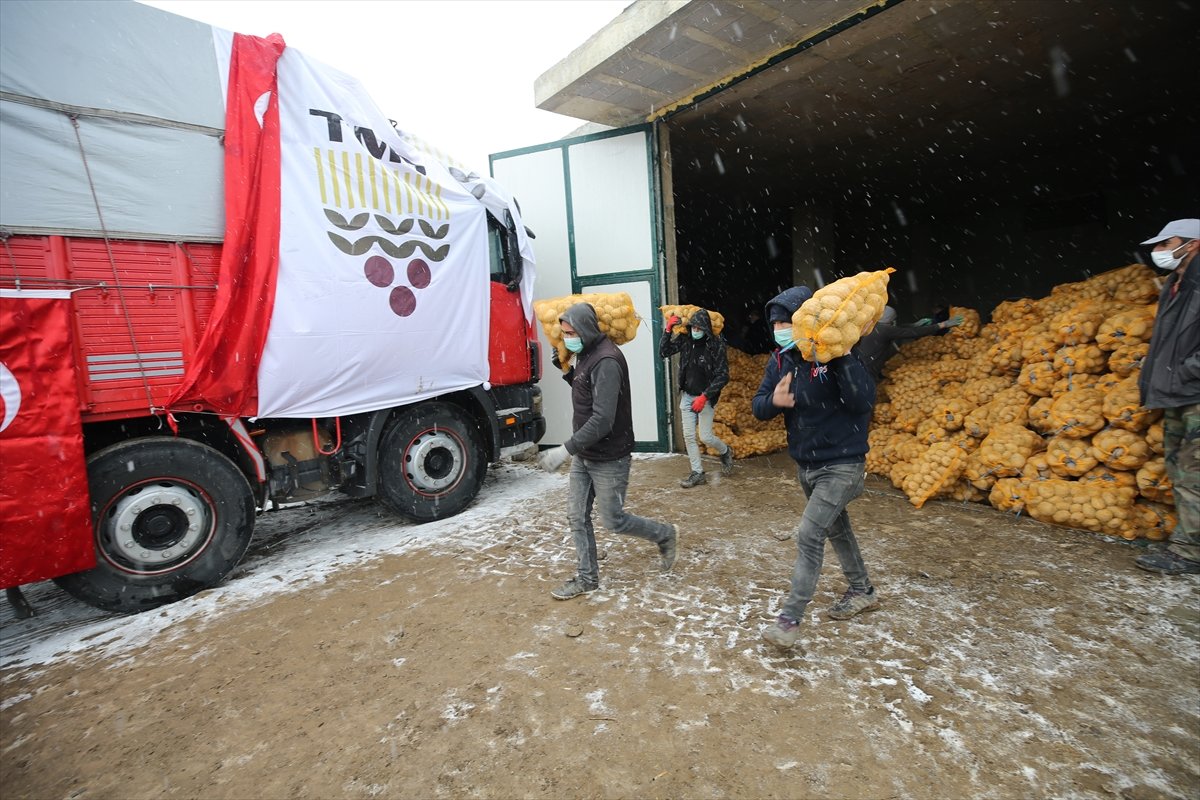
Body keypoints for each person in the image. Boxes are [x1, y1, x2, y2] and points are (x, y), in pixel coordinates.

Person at [752, 286, 880, 651]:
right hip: (806, 465)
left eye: (786, 321)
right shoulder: (780, 360)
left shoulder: (839, 356)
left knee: (809, 535)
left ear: (806, 322)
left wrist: (838, 356)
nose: (779, 328)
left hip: (843, 464)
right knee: (837, 529)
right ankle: (863, 590)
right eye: (775, 322)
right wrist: (773, 401)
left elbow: (862, 402)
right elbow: (758, 406)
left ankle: (789, 620)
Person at [538, 303, 679, 599]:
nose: (566, 339)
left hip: (609, 457)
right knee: (576, 516)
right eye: (563, 333)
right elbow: (586, 392)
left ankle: (664, 534)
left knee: (613, 521)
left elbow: (602, 420)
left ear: (586, 330)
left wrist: (565, 449)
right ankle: (587, 578)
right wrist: (565, 372)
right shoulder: (586, 353)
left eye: (570, 333)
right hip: (585, 454)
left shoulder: (607, 360)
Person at [1133, 218, 1200, 576]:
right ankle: (1187, 542)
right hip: (1178, 394)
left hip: (1194, 392)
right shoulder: (1175, 284)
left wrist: (1185, 371)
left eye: (1165, 244)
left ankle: (1190, 553)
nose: (1158, 251)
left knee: (1194, 473)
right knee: (1178, 468)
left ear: (1191, 244)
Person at [659, 308, 734, 488]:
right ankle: (698, 472)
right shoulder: (686, 341)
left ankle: (725, 451)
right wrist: (668, 330)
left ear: (706, 329)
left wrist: (705, 396)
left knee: (706, 437)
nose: (696, 331)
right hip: (687, 396)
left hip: (705, 397)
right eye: (693, 327)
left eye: (700, 328)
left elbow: (723, 375)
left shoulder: (716, 346)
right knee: (689, 436)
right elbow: (664, 351)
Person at [854, 305, 964, 381]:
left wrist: (914, 325)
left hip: (858, 366)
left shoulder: (873, 326)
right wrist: (942, 325)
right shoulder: (884, 330)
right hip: (867, 369)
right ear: (890, 320)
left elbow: (898, 330)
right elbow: (910, 333)